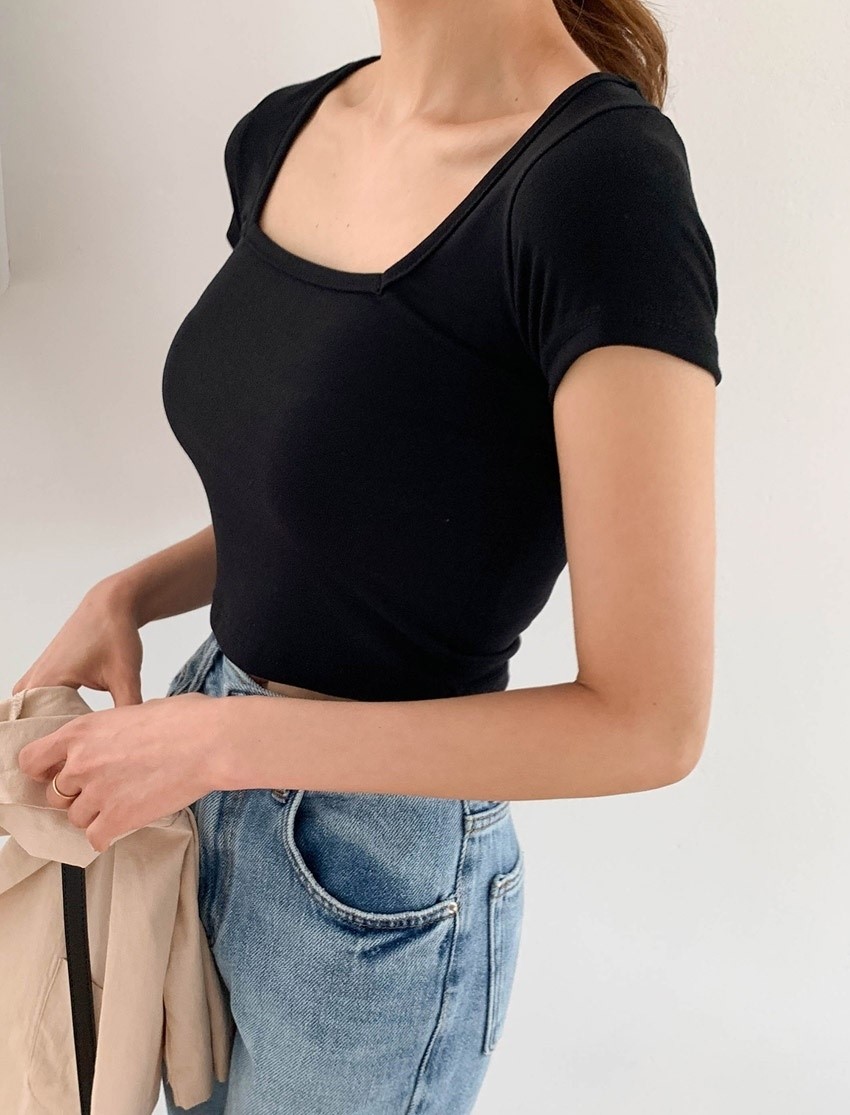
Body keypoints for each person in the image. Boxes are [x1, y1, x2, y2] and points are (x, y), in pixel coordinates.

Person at [14, 0, 722, 1111]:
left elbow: (649, 723)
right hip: (197, 775)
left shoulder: (602, 186)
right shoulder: (287, 130)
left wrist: (222, 744)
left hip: (368, 876)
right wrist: (133, 592)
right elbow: (352, 501)